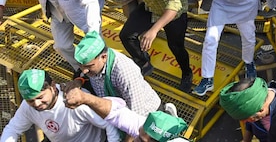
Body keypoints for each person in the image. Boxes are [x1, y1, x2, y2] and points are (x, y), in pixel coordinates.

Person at [97, 0, 192, 92]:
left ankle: (186, 73)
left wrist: (153, 31)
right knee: (126, 35)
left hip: (173, 14)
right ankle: (143, 62)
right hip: (150, 6)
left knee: (176, 47)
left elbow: (174, 6)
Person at [0, 69, 120, 142]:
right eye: (30, 100)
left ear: (52, 86)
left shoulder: (77, 102)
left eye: (40, 97)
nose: (36, 104)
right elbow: (13, 129)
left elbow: (109, 123)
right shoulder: (28, 106)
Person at [74, 31, 162, 116]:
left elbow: (136, 113)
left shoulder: (124, 72)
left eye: (89, 66)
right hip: (114, 108)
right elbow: (82, 74)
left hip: (147, 115)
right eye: (81, 66)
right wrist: (78, 81)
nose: (84, 71)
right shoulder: (94, 65)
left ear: (104, 57)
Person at [60, 87, 189, 142]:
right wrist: (85, 98)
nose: (135, 139)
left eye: (141, 141)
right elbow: (116, 114)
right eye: (139, 136)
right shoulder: (146, 128)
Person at [219, 76, 276, 142]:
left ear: (261, 110)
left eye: (246, 119)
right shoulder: (257, 99)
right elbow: (251, 124)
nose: (243, 122)